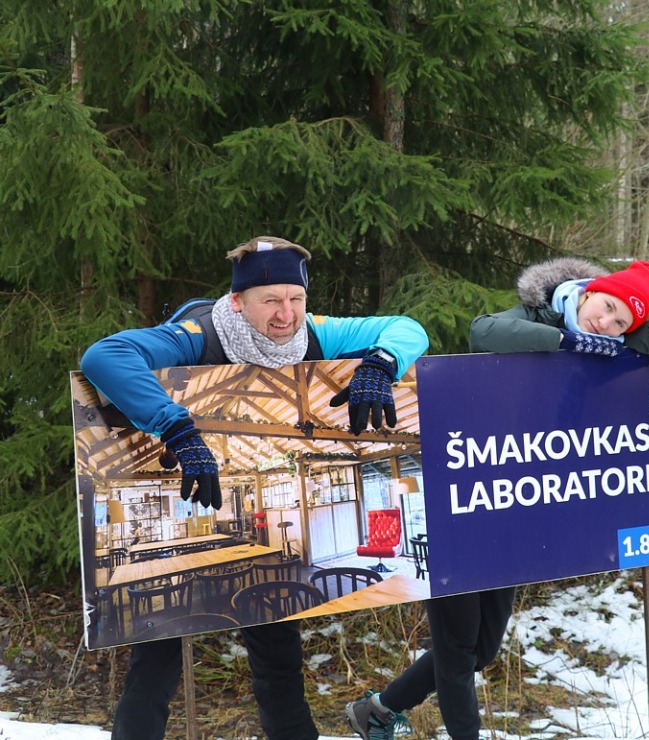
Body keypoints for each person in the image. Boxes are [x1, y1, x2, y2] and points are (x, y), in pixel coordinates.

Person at [345, 257, 649, 740]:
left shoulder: (625, 339)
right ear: (587, 293)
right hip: (461, 494)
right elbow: (483, 332)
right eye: (605, 307)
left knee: (482, 651)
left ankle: (378, 708)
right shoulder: (537, 314)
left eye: (622, 322)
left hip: (514, 508)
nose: (607, 323)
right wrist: (566, 342)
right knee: (456, 650)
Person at [80, 235, 429, 740]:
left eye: (296, 298)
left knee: (280, 666)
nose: (286, 314)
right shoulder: (198, 333)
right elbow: (105, 356)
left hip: (252, 526)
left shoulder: (315, 332)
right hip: (181, 501)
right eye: (271, 300)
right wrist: (174, 426)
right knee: (154, 667)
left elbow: (408, 328)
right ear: (239, 301)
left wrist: (380, 362)